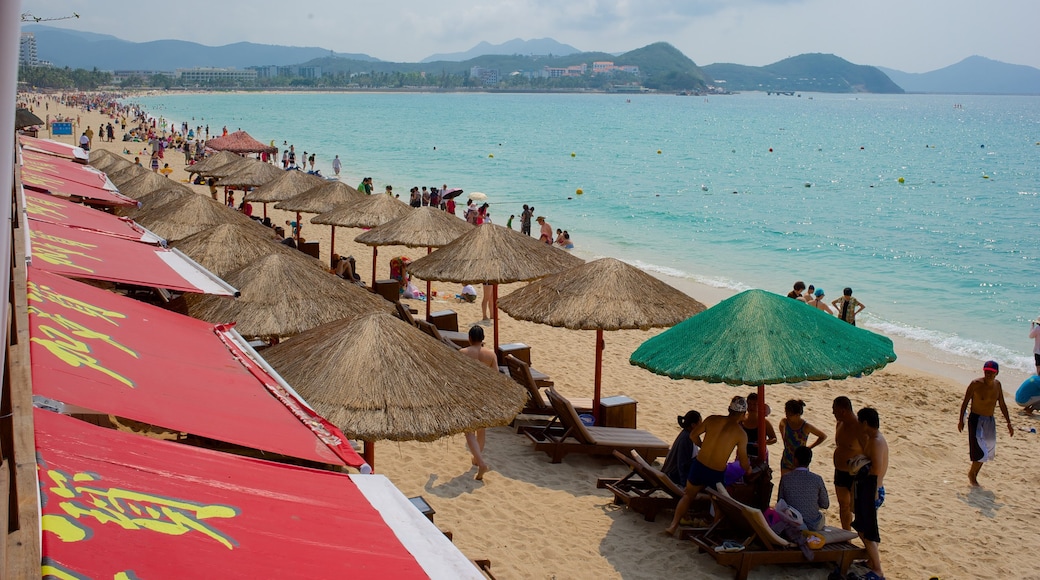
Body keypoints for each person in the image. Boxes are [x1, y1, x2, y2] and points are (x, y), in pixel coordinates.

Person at [665, 396, 751, 536]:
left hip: (699, 465)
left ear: (729, 409)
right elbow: (743, 461)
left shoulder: (712, 419)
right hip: (715, 473)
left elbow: (693, 435)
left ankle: (673, 526)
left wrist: (702, 445)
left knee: (688, 496)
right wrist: (748, 468)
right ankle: (710, 535)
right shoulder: (741, 434)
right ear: (743, 414)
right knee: (718, 506)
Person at [957, 360, 1013, 486]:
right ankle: (972, 475)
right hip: (976, 419)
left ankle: (975, 473)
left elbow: (1002, 404)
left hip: (989, 420)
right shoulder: (975, 384)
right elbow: (965, 402)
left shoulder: (997, 385)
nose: (988, 374)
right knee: (980, 451)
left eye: (991, 372)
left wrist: (1009, 423)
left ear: (996, 373)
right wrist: (961, 420)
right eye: (986, 371)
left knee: (987, 451)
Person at [852, 407, 888, 580]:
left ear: (865, 423)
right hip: (870, 488)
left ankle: (878, 568)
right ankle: (871, 561)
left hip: (872, 490)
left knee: (866, 531)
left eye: (860, 422)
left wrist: (871, 493)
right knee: (863, 527)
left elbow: (875, 469)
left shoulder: (876, 441)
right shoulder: (874, 439)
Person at [459, 326, 496, 480]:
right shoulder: (490, 354)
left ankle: (480, 462)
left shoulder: (463, 353)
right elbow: (496, 376)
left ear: (469, 338)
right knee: (481, 429)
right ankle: (476, 459)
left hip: (469, 393)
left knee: (469, 430)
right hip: (485, 393)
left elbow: (458, 376)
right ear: (482, 338)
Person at [777, 446, 829, 531]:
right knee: (821, 515)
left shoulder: (786, 478)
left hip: (793, 524)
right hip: (813, 525)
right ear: (809, 460)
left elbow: (780, 502)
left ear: (795, 460)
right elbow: (825, 504)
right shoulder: (817, 479)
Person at [832, 396, 863, 530]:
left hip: (855, 473)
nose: (833, 413)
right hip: (840, 471)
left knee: (857, 508)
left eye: (834, 410)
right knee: (843, 506)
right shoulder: (840, 424)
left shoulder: (859, 428)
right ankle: (847, 535)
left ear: (843, 411)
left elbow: (869, 452)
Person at [778, 399, 827, 475]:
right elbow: (781, 425)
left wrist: (809, 447)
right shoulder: (785, 421)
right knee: (786, 482)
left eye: (790, 415)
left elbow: (823, 436)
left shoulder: (805, 426)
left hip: (801, 460)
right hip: (787, 458)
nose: (787, 416)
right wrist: (783, 437)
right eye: (786, 413)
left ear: (797, 415)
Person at [662, 410, 702, 487]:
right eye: (700, 423)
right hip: (674, 477)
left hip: (675, 474)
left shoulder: (690, 435)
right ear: (693, 425)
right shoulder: (687, 439)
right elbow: (682, 464)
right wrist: (685, 485)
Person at [739, 392, 776, 462]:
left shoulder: (764, 422)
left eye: (754, 404)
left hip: (759, 456)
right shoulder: (741, 420)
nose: (751, 407)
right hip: (742, 455)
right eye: (749, 404)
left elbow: (774, 438)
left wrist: (764, 442)